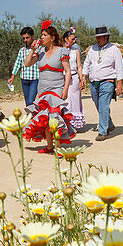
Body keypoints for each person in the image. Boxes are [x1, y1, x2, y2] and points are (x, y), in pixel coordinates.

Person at [21, 24, 75, 152]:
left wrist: (66, 89)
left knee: (55, 118)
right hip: (43, 89)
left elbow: (67, 71)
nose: (42, 37)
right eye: (42, 35)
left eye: (45, 35)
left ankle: (59, 147)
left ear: (52, 38)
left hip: (56, 88)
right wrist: (33, 50)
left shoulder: (62, 51)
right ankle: (50, 146)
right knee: (45, 118)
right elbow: (27, 63)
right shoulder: (40, 52)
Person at [82, 26, 123, 141]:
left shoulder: (114, 49)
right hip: (94, 81)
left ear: (106, 37)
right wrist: (84, 76)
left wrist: (119, 83)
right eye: (97, 37)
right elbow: (87, 63)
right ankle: (109, 124)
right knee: (98, 105)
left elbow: (119, 67)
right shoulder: (92, 49)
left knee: (104, 106)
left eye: (100, 37)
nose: (98, 40)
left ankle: (102, 131)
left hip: (107, 81)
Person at [9, 26, 39, 109]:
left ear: (32, 37)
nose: (25, 40)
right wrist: (12, 76)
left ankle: (33, 118)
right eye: (24, 38)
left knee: (31, 100)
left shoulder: (38, 49)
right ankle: (31, 117)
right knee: (27, 102)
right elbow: (17, 63)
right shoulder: (22, 50)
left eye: (27, 38)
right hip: (24, 78)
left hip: (35, 79)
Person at [63, 29, 85, 130]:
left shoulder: (75, 51)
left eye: (74, 39)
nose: (74, 41)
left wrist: (82, 79)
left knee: (75, 100)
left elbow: (79, 66)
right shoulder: (61, 51)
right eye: (72, 39)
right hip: (63, 78)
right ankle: (66, 122)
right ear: (66, 39)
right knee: (65, 100)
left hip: (74, 76)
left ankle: (75, 123)